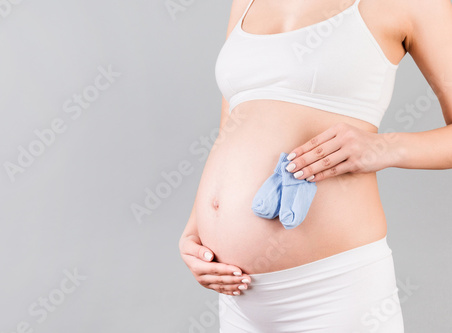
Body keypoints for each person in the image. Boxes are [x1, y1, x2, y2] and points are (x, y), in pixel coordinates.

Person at [179, 0, 452, 331]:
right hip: (239, 300)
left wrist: (384, 147)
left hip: (335, 292)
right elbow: (231, 126)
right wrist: (197, 227)